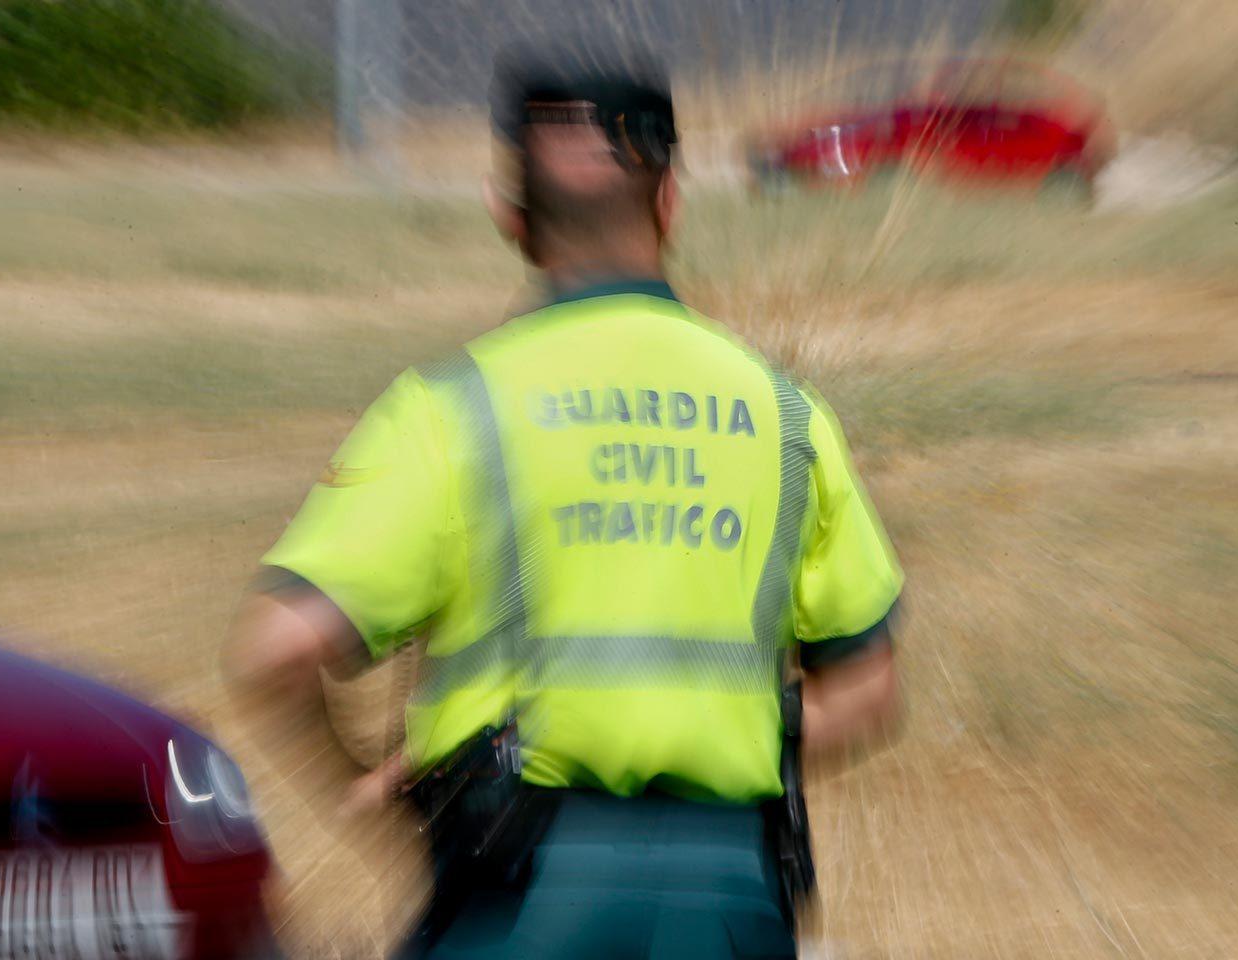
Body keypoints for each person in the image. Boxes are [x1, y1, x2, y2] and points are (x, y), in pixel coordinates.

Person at [223, 43, 903, 960]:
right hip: (733, 888)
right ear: (670, 205)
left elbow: (275, 652)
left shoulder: (454, 408)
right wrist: (730, 735)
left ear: (511, 219)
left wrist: (370, 783)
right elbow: (868, 690)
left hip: (519, 887)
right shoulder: (787, 417)